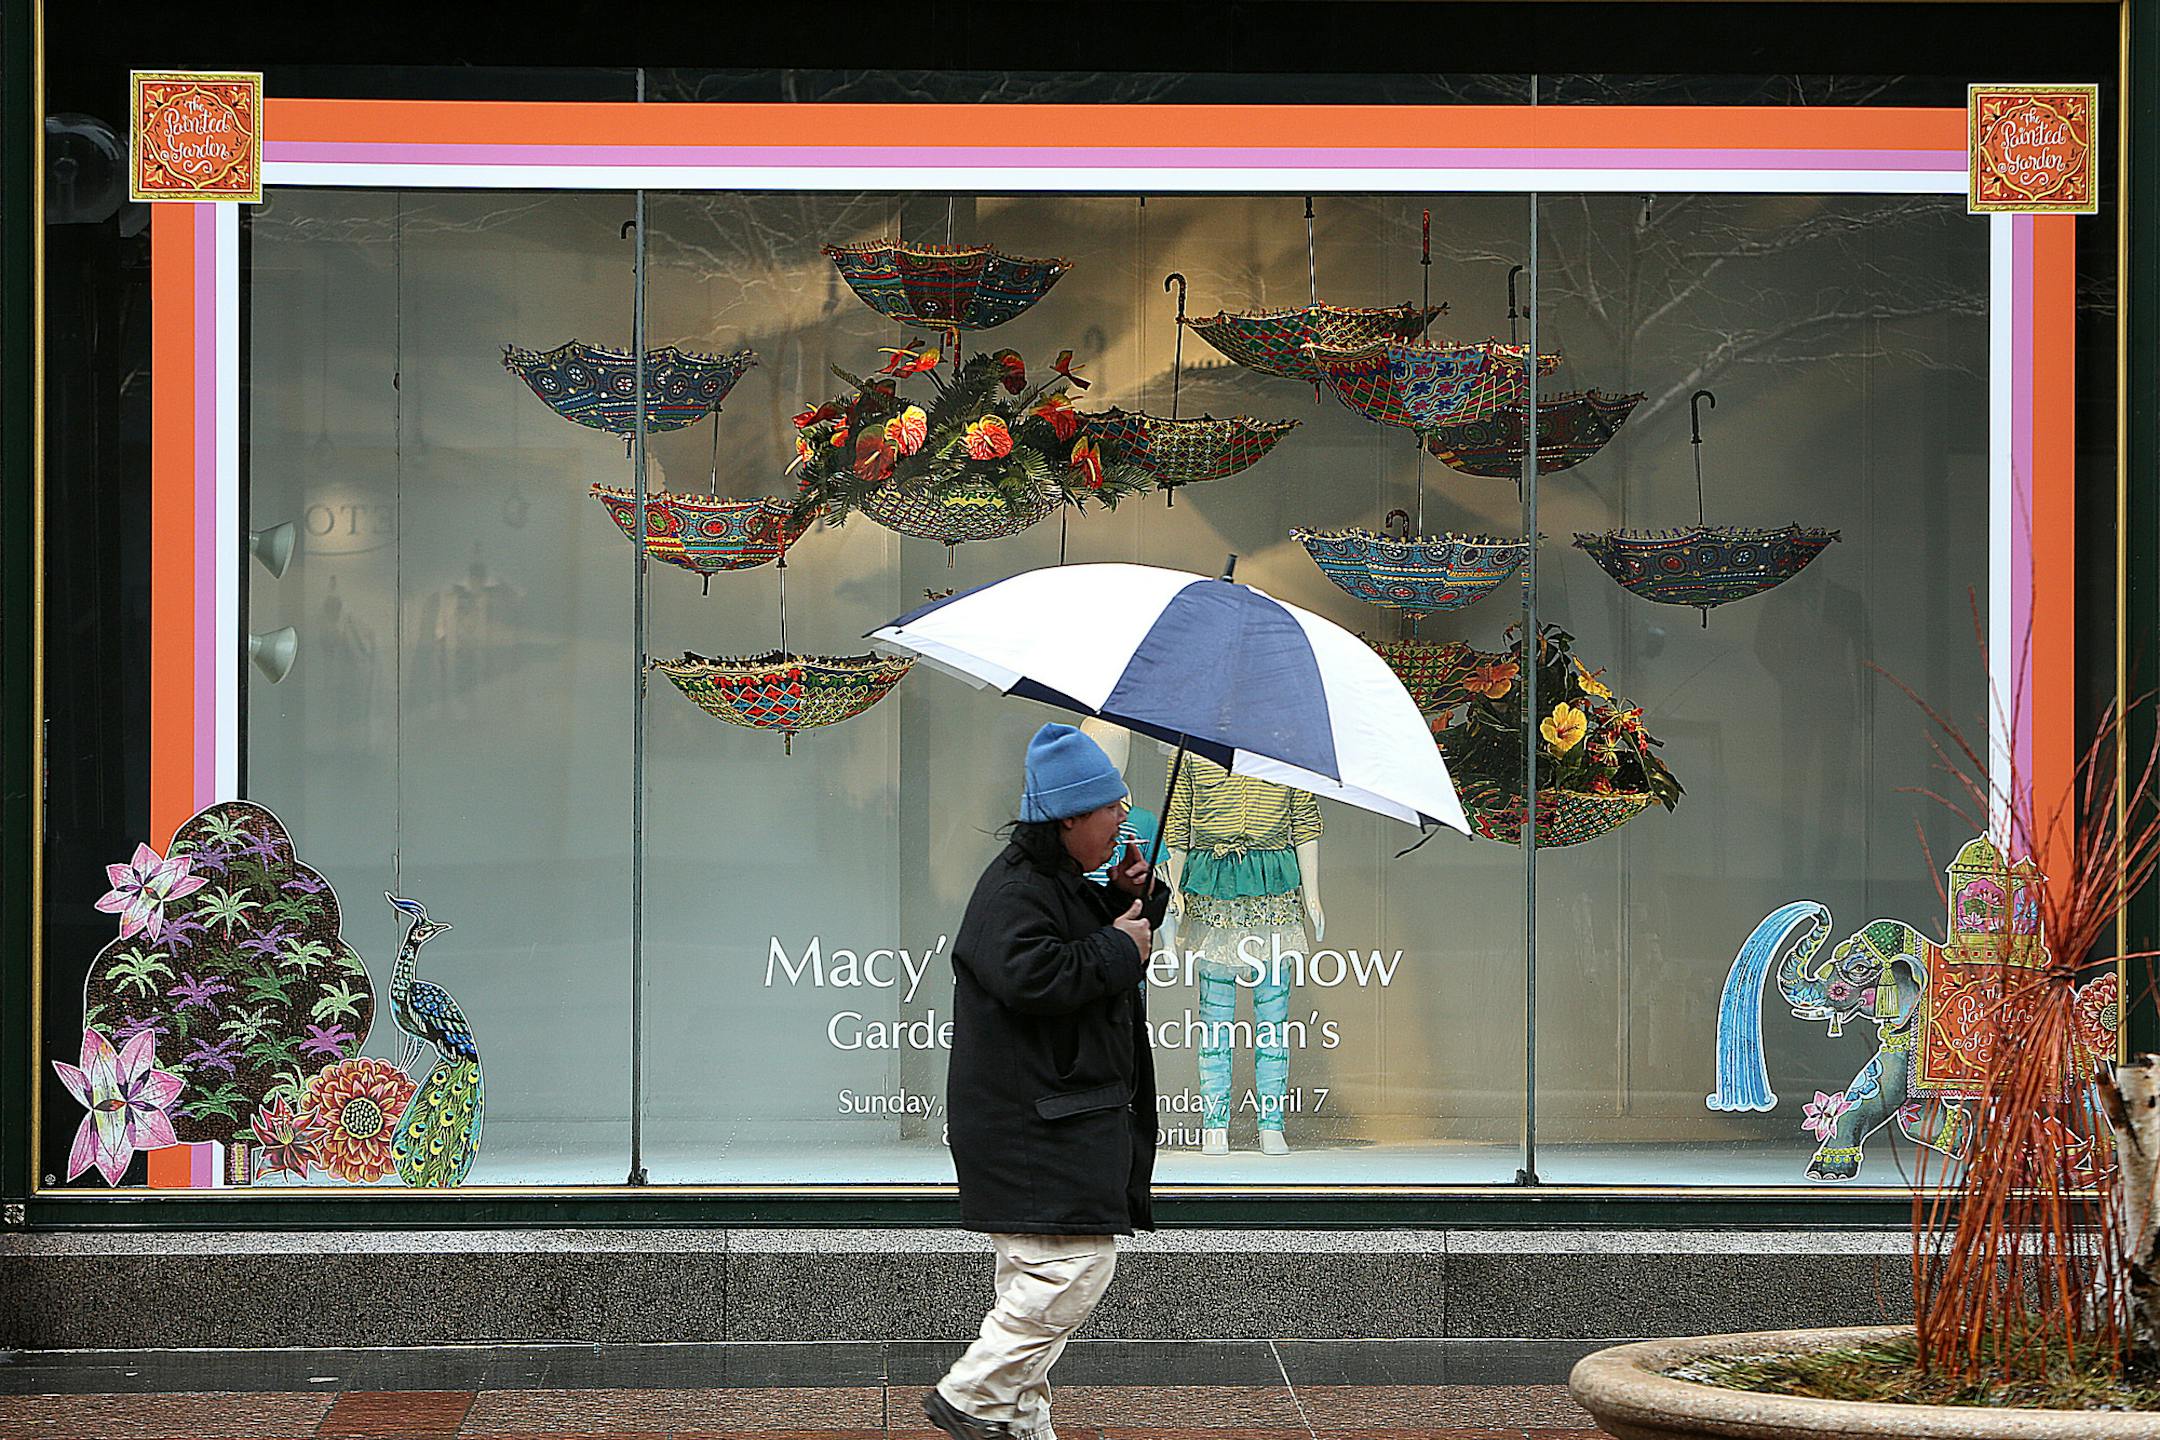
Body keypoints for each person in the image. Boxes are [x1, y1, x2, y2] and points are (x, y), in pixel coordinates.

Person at [926, 722, 1167, 1440]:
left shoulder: (1053, 882)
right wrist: (1119, 943)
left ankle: (1018, 1422)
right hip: (1031, 1126)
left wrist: (1131, 900)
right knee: (1072, 1270)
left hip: (1051, 1117)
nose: (1125, 816)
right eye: (1113, 807)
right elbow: (1039, 976)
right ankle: (974, 1396)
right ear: (1070, 817)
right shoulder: (1013, 892)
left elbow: (1089, 941)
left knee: (1035, 1279)